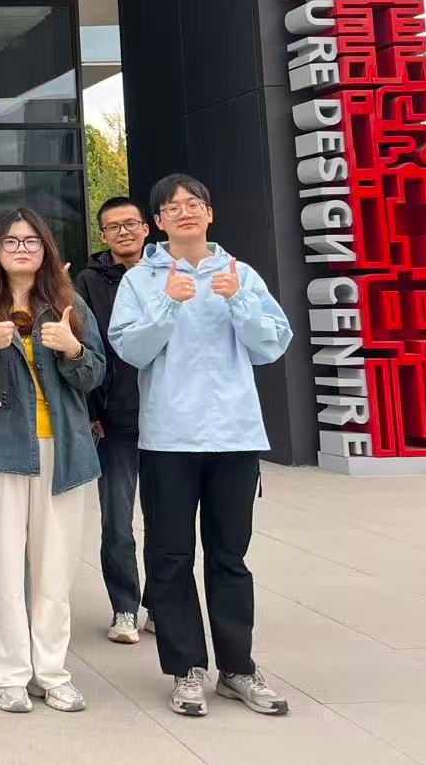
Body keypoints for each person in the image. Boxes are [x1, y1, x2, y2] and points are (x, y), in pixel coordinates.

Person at [109, 174, 294, 718]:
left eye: (194, 204)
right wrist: (167, 305)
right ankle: (186, 668)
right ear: (158, 222)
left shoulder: (241, 274)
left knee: (230, 556)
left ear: (209, 213)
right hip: (169, 438)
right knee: (170, 557)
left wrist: (239, 302)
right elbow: (131, 351)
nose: (185, 212)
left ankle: (237, 668)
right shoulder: (140, 280)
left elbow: (271, 346)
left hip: (235, 436)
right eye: (172, 207)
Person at [0, 209, 105, 714]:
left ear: (45, 248)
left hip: (63, 451)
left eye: (31, 241)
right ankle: (9, 675)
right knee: (4, 569)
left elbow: (96, 374)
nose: (21, 249)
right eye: (11, 241)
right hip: (1, 450)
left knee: (55, 571)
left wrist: (73, 349)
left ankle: (52, 672)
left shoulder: (67, 301)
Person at [75, 196, 150, 645]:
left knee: (166, 520)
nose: (124, 232)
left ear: (146, 229)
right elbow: (84, 348)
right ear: (103, 235)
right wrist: (92, 411)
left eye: (130, 224)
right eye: (114, 227)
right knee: (117, 521)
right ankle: (125, 606)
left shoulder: (165, 273)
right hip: (114, 420)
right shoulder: (89, 281)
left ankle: (160, 603)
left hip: (166, 419)